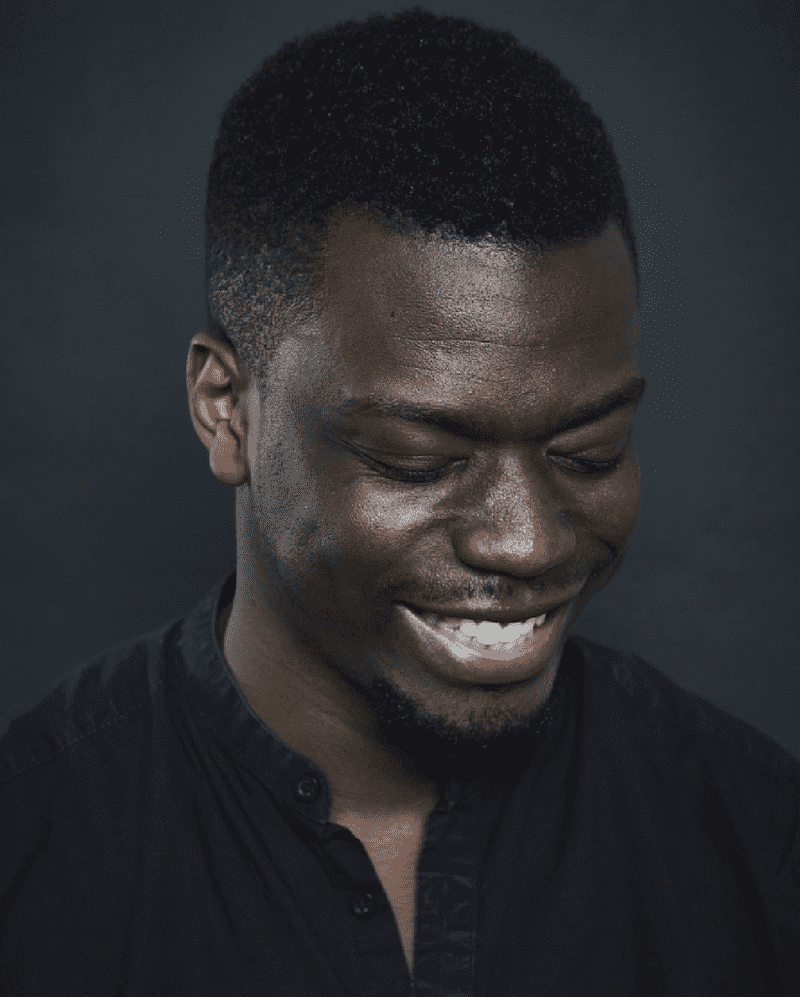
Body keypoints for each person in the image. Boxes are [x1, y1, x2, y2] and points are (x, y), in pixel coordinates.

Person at [1, 8, 797, 996]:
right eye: (419, 458)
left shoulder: (755, 845)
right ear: (227, 413)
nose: (525, 538)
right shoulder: (30, 855)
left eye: (587, 450)